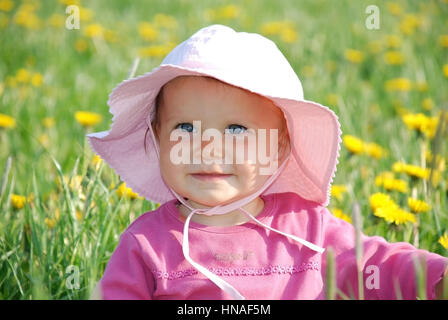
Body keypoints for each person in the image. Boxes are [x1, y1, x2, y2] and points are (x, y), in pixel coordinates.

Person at [87, 24, 447, 300]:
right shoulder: (146, 244)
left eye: (237, 130)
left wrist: (436, 275)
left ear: (277, 147)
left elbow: (377, 263)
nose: (210, 149)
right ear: (158, 136)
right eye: (185, 127)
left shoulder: (308, 232)